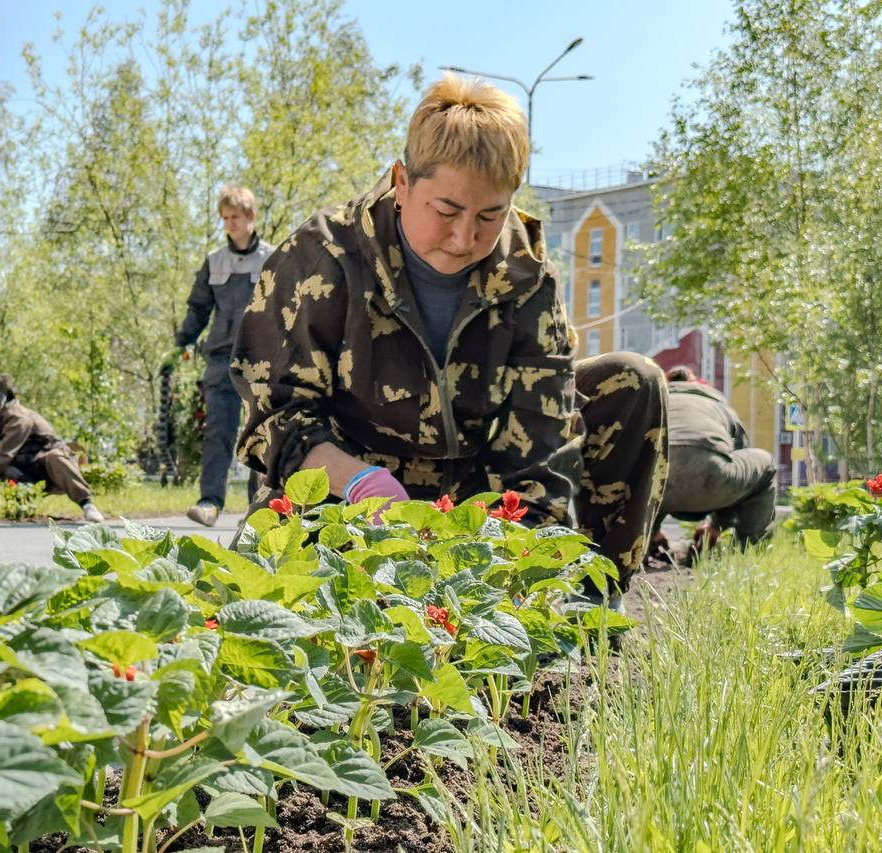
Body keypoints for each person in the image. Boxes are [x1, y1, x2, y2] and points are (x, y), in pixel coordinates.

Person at [231, 73, 669, 602]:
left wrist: (516, 580)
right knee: (272, 602)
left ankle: (595, 604)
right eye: (447, 211)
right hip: (346, 492)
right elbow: (277, 419)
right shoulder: (322, 257)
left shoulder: (527, 276)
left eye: (490, 215)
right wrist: (360, 482)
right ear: (403, 182)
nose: (465, 238)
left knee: (633, 381)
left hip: (470, 497)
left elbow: (539, 447)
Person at [171, 184, 273, 527]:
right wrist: (182, 343)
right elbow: (198, 309)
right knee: (218, 430)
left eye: (235, 217)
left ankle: (259, 508)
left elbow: (287, 309)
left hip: (261, 361)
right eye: (225, 218)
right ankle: (210, 502)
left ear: (251, 216)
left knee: (261, 433)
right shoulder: (214, 261)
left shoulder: (273, 259)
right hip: (221, 360)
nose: (229, 224)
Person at [657, 365, 775, 548]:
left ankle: (642, 548)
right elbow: (737, 460)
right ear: (698, 384)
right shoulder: (717, 404)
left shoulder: (653, 403)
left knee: (650, 469)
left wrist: (651, 531)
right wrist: (717, 525)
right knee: (766, 466)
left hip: (658, 487)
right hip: (712, 479)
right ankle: (750, 549)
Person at [0, 373, 105, 524]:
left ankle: (87, 505)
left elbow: (3, 455)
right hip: (26, 468)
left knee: (55, 457)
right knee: (6, 470)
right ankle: (18, 510)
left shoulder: (18, 419)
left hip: (50, 468)